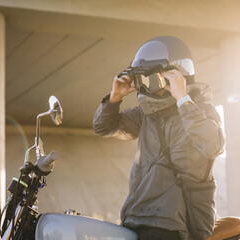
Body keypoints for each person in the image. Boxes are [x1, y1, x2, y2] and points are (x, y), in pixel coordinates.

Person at [93, 36, 225, 240]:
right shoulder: (147, 114)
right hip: (137, 217)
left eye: (151, 80)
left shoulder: (201, 111)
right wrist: (115, 98)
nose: (145, 88)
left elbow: (212, 145)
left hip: (177, 223)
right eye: (142, 81)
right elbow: (103, 127)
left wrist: (183, 99)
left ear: (176, 77)